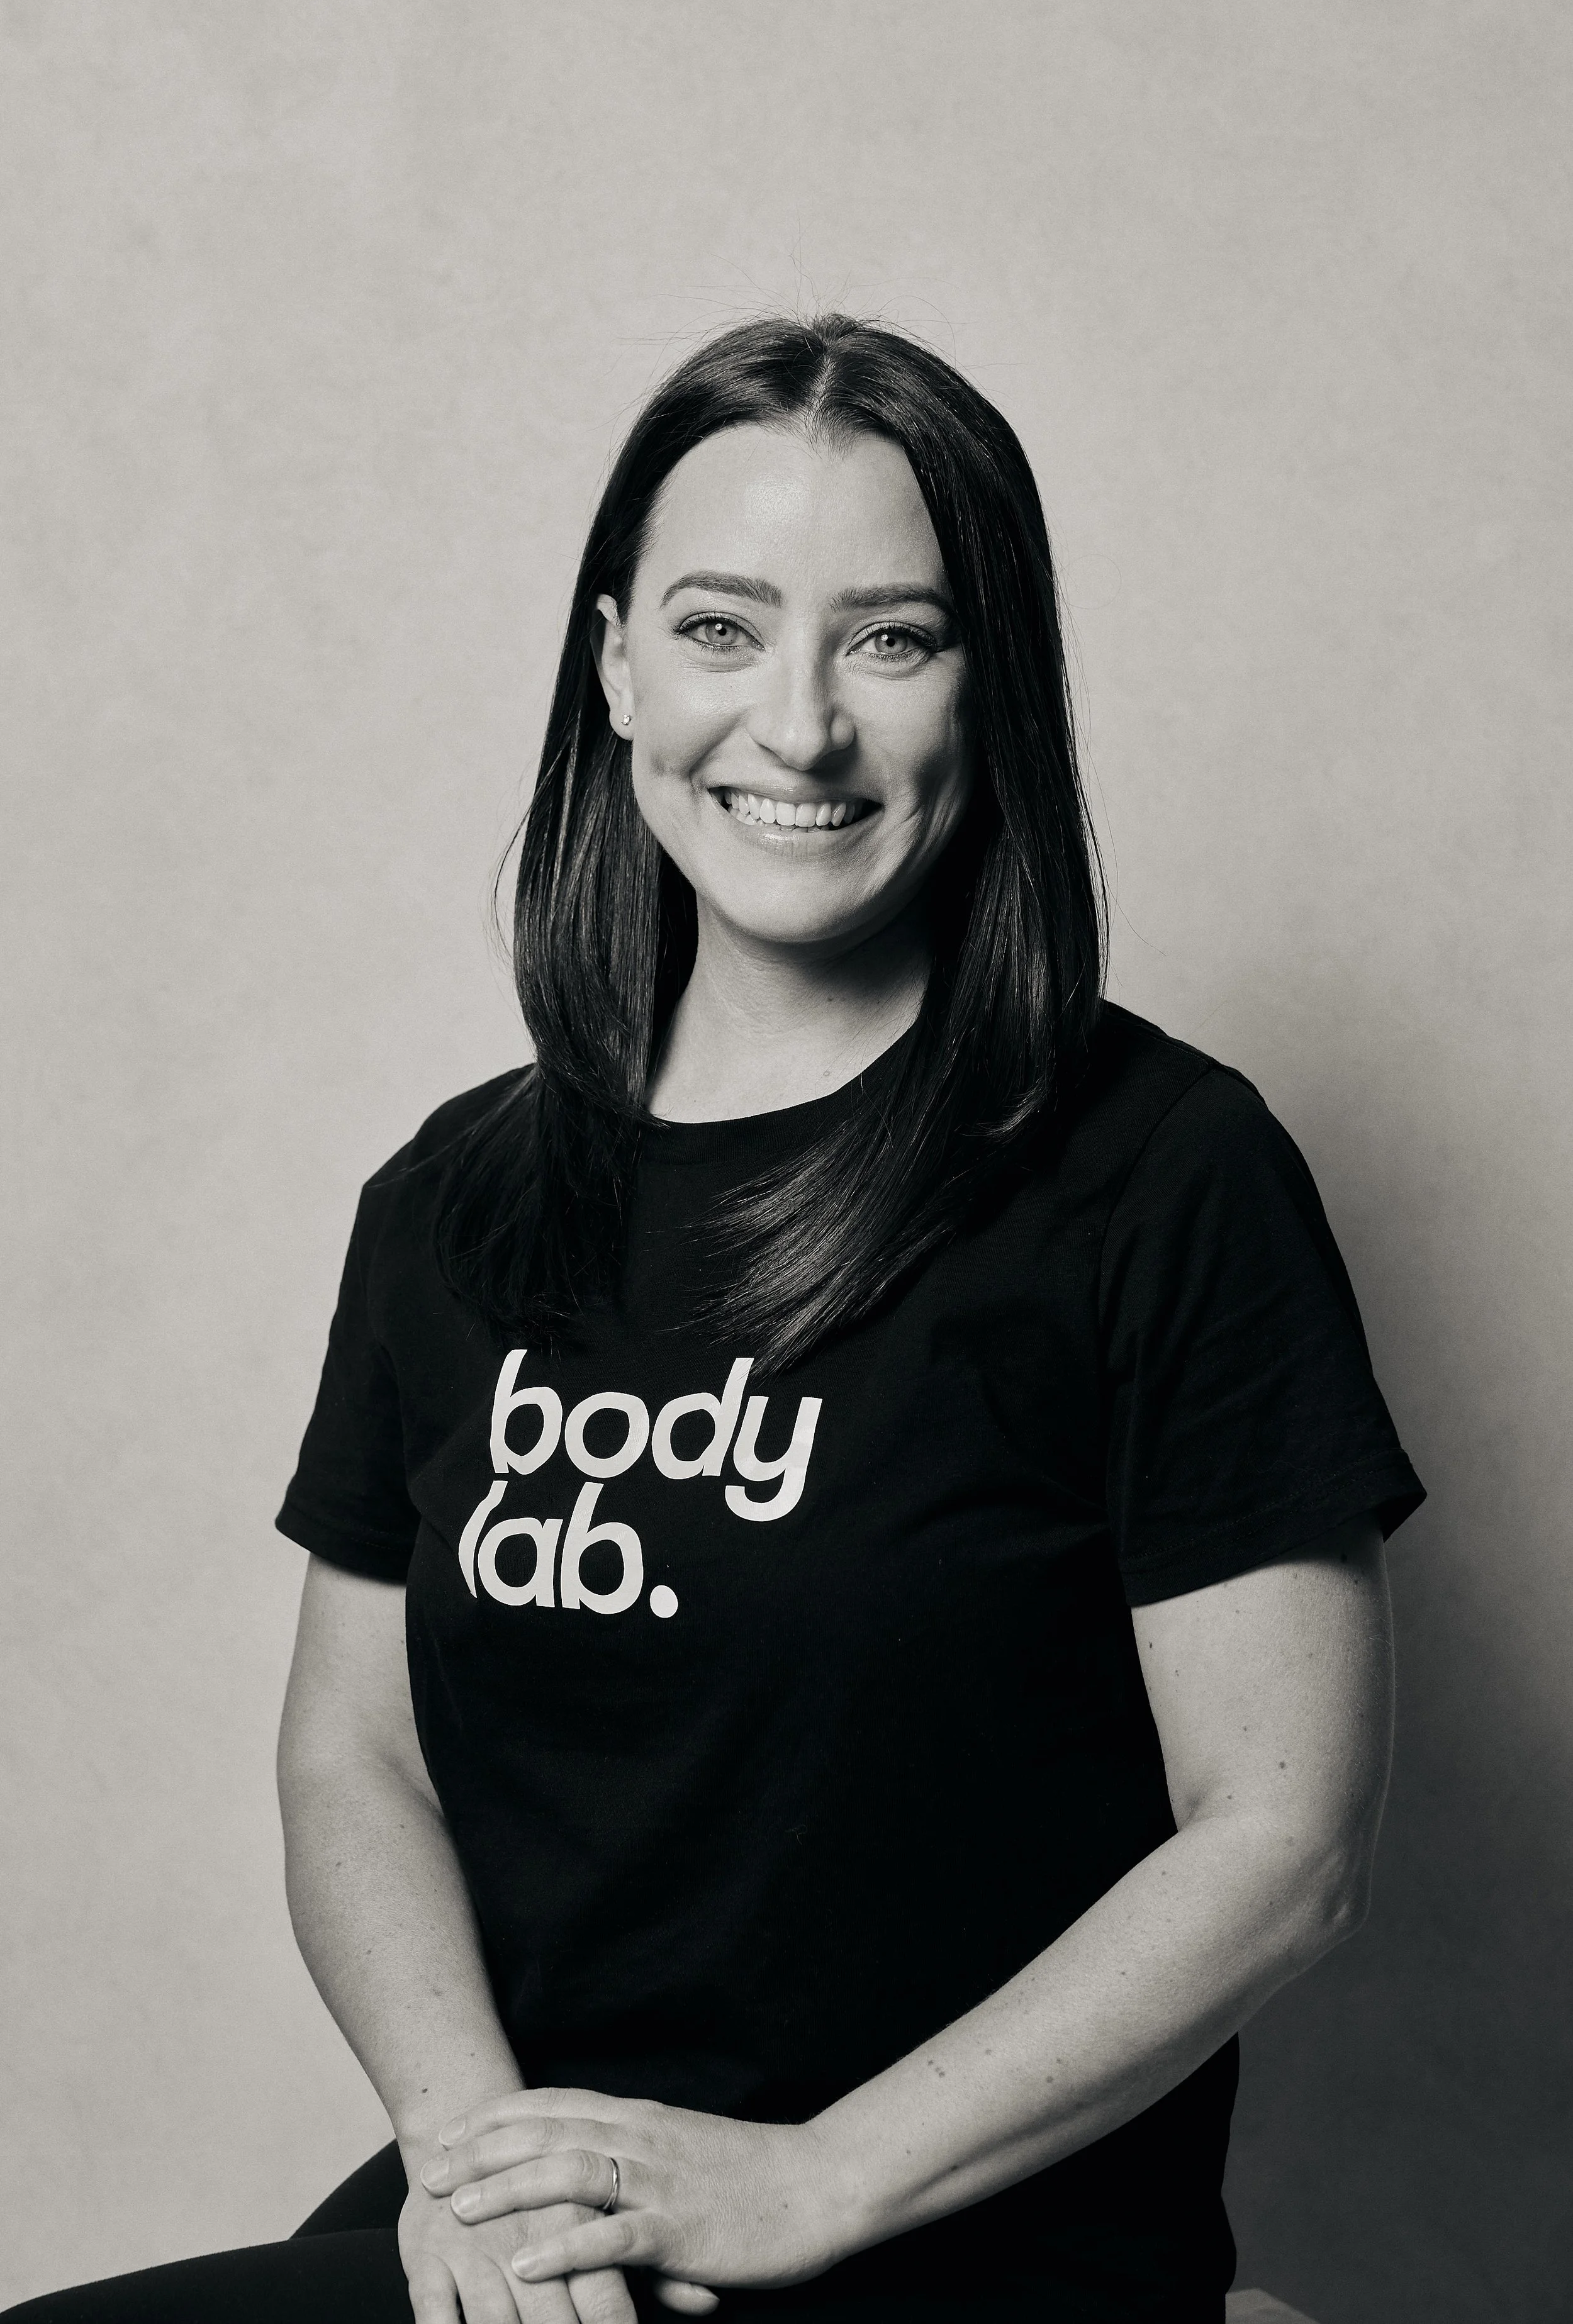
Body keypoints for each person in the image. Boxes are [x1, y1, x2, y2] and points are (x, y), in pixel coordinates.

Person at [7, 315, 1424, 2324]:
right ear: (615, 666)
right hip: (555, 2220)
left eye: (892, 638)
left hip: (953, 2237)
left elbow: (1281, 1840)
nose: (798, 724)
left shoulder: (1160, 1176)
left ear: (992, 683)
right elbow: (353, 1755)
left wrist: (805, 2182)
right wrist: (474, 2159)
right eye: (719, 629)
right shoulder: (452, 1200)